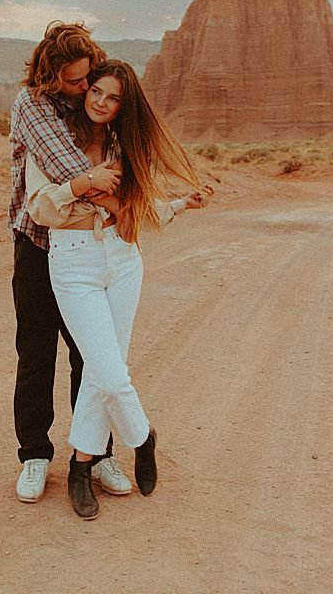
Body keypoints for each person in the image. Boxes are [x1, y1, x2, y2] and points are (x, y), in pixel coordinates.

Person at [24, 60, 214, 520]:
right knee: (108, 371)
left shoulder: (123, 145)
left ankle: (80, 466)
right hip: (72, 263)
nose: (101, 102)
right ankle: (142, 436)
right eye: (97, 92)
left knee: (100, 369)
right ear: (86, 90)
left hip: (124, 260)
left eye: (113, 98)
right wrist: (87, 187)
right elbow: (41, 206)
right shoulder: (53, 139)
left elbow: (135, 213)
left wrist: (179, 205)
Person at [8, 22, 128, 503]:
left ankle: (97, 454)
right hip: (38, 245)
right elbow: (71, 172)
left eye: (88, 81)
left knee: (92, 355)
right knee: (36, 354)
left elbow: (128, 166)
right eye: (75, 82)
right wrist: (109, 191)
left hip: (90, 248)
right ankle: (35, 454)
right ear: (51, 74)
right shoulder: (31, 106)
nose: (84, 91)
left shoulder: (92, 101)